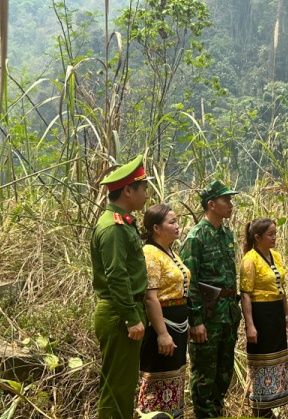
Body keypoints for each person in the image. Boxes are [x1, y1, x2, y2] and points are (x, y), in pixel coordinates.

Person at [90, 155, 153, 419]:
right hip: (119, 314)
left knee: (124, 386)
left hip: (125, 312)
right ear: (127, 190)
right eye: (143, 188)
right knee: (117, 387)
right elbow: (116, 276)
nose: (147, 195)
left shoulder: (123, 222)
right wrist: (130, 317)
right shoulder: (114, 228)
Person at [180, 180, 241, 419]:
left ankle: (217, 411)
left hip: (228, 312)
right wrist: (195, 320)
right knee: (205, 372)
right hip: (207, 314)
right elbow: (190, 283)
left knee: (224, 371)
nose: (231, 204)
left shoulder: (227, 234)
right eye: (226, 200)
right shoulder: (196, 237)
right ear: (211, 204)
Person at [137, 204, 191, 418]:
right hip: (163, 326)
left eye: (177, 221)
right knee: (156, 379)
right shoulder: (150, 253)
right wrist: (162, 334)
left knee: (174, 378)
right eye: (172, 222)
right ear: (156, 228)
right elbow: (151, 298)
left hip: (177, 326)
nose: (178, 226)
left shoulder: (170, 252)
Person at [240, 218, 288, 418]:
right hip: (260, 314)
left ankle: (269, 406)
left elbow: (281, 289)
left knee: (275, 360)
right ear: (257, 237)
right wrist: (250, 326)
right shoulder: (250, 260)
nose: (274, 237)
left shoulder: (276, 256)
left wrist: (286, 314)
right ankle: (259, 408)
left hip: (276, 314)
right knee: (261, 361)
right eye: (270, 234)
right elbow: (245, 294)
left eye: (275, 233)